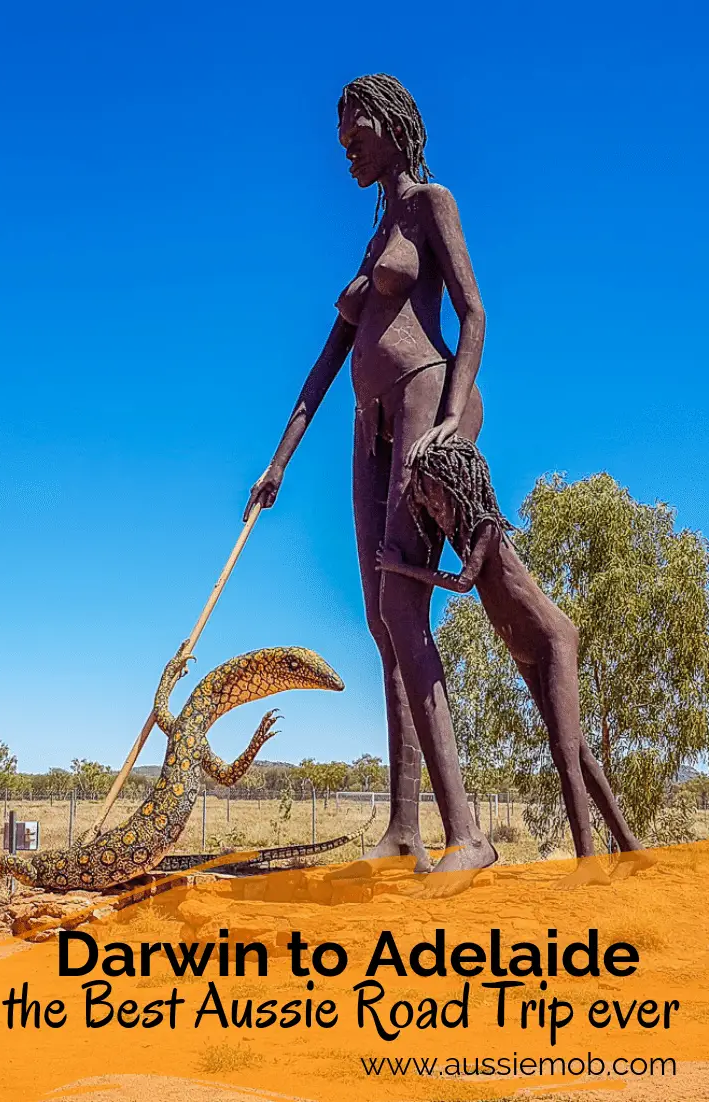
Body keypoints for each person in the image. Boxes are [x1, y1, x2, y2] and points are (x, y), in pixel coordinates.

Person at [245, 73, 496, 887]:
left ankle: (468, 836)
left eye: (354, 133)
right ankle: (401, 829)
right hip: (366, 422)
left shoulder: (429, 204)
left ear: (390, 125)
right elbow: (325, 362)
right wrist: (279, 460)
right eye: (340, 138)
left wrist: (450, 419)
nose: (344, 148)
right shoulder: (373, 238)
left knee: (401, 606)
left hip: (422, 395)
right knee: (380, 622)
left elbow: (473, 313)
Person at [376, 435, 655, 886]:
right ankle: (632, 848)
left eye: (434, 493)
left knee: (565, 753)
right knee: (579, 751)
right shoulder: (461, 533)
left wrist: (399, 567)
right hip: (522, 646)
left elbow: (464, 583)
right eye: (424, 498)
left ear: (455, 483)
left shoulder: (485, 529)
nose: (431, 506)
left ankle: (589, 864)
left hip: (550, 641)